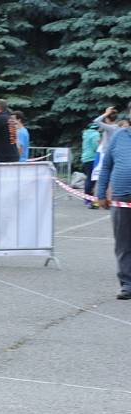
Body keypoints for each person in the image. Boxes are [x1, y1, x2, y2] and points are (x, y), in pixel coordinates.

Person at [97, 102, 131, 300]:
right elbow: (106, 166)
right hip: (121, 197)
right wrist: (101, 193)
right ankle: (127, 284)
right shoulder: (119, 135)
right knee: (123, 243)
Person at [81, 123, 101, 206]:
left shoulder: (86, 133)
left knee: (89, 178)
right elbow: (95, 147)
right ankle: (89, 198)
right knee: (92, 179)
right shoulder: (95, 134)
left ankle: (87, 197)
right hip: (92, 158)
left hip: (85, 158)